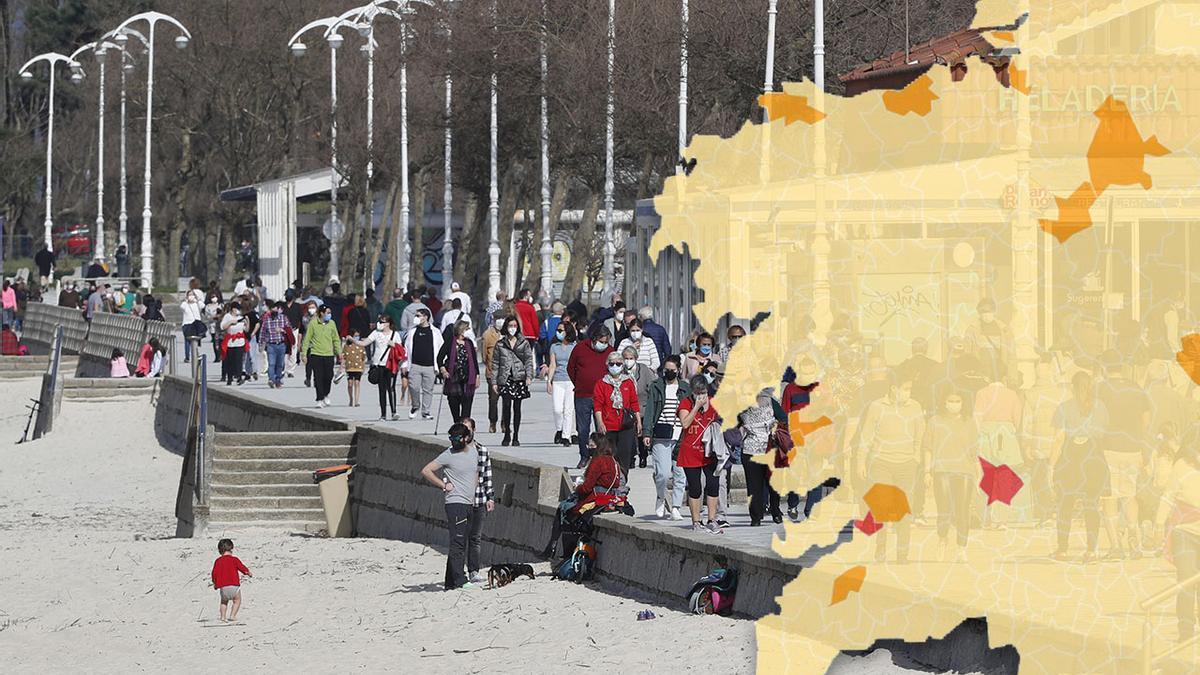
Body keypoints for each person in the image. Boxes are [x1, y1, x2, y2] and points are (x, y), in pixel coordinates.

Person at [858, 369, 926, 563]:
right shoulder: (877, 407)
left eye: (910, 389)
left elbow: (920, 433)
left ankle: (902, 554)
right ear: (893, 389)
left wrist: (916, 457)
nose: (908, 392)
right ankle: (880, 550)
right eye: (905, 389)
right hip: (881, 463)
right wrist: (860, 462)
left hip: (906, 464)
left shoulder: (915, 407)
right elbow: (866, 436)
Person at [1050, 371, 1111, 563]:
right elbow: (1103, 435)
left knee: (1065, 505)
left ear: (1072, 387)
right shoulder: (1100, 407)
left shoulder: (1064, 407)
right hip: (1093, 459)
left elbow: (1059, 438)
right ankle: (1091, 551)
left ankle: (1062, 550)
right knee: (1091, 505)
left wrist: (1051, 465)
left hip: (1070, 459)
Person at [1096, 350, 1152, 559]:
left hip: (1108, 449)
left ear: (1104, 367)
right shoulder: (1136, 389)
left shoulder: (1100, 389)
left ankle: (1116, 547)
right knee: (1129, 495)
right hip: (1133, 449)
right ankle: (1134, 539)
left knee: (1109, 497)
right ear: (1122, 367)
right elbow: (1146, 420)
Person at [1152, 424, 1200, 641]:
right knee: (1187, 580)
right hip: (1186, 532)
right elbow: (1168, 495)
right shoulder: (1182, 465)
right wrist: (1158, 523)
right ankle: (1186, 630)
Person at [420, 423, 482, 591]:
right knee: (458, 542)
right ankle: (461, 580)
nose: (453, 441)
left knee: (462, 541)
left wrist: (474, 488)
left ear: (466, 438)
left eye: (456, 438)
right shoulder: (448, 454)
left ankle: (450, 583)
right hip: (455, 503)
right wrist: (443, 485)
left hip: (469, 503)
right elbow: (426, 470)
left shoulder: (475, 451)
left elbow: (476, 471)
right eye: (451, 438)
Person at [923, 389, 979, 562]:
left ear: (963, 403)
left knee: (963, 511)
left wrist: (978, 475)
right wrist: (927, 471)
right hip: (942, 470)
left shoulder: (969, 422)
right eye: (951, 400)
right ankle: (942, 540)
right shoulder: (935, 421)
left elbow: (975, 451)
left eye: (957, 401)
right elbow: (928, 448)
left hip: (964, 471)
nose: (954, 404)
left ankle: (962, 548)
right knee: (944, 510)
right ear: (944, 402)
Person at [641, 356, 689, 520]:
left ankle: (676, 506)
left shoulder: (684, 388)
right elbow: (650, 410)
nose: (669, 373)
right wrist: (647, 432)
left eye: (672, 370)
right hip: (661, 433)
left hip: (680, 434)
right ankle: (661, 497)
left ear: (678, 370)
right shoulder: (656, 386)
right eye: (666, 370)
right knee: (662, 473)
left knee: (680, 473)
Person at [1021, 359, 1068, 524]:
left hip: (1038, 443)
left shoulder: (1030, 395)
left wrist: (1026, 443)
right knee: (1059, 477)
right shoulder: (1063, 393)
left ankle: (1045, 513)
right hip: (1059, 443)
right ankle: (1060, 511)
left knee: (1040, 479)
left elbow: (1026, 421)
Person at [678, 374, 723, 534]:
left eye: (703, 392)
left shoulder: (713, 403)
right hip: (690, 451)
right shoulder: (686, 403)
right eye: (698, 393)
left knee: (713, 483)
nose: (701, 396)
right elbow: (684, 423)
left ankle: (712, 519)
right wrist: (696, 407)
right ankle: (696, 521)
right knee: (695, 487)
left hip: (709, 451)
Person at [568, 325, 614, 468]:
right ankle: (584, 455)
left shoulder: (610, 351)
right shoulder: (580, 348)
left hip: (603, 397)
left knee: (603, 428)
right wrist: (580, 383)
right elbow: (571, 368)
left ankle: (601, 456)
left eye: (606, 342)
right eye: (602, 341)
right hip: (583, 395)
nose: (604, 345)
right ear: (594, 339)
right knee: (582, 429)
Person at [593, 350, 643, 475]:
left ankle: (622, 480)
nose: (615, 366)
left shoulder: (628, 382)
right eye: (612, 364)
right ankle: (610, 479)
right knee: (608, 454)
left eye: (618, 364)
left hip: (625, 425)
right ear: (607, 364)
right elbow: (597, 405)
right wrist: (600, 422)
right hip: (608, 424)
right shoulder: (601, 383)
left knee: (624, 455)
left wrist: (638, 421)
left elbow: (634, 403)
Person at [740, 388, 784, 526]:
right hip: (752, 449)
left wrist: (775, 428)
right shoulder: (741, 404)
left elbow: (784, 419)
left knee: (770, 483)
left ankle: (771, 512)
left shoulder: (770, 401)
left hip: (769, 448)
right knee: (755, 485)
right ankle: (758, 516)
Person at [352, 314, 404, 421]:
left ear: (389, 323)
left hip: (390, 365)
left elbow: (401, 350)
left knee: (391, 388)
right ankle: (383, 414)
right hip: (378, 364)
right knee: (382, 389)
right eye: (380, 321)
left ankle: (394, 412)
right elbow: (364, 343)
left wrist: (394, 344)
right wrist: (353, 340)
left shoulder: (395, 335)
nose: (380, 323)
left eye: (383, 322)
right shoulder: (376, 333)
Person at [462, 418, 494, 585]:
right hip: (461, 502)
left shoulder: (482, 451)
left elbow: (487, 476)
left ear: (474, 430)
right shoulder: (455, 451)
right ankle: (458, 571)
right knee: (460, 538)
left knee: (475, 538)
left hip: (479, 500)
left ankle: (473, 571)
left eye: (468, 429)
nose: (466, 433)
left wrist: (490, 497)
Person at [492, 316, 534, 446]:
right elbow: (495, 363)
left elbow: (528, 360)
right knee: (506, 405)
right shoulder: (500, 344)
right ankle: (507, 432)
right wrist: (494, 382)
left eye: (515, 326)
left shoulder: (524, 342)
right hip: (505, 378)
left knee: (517, 407)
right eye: (510, 325)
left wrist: (529, 376)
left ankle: (516, 434)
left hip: (519, 377)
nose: (512, 328)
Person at [300, 304, 342, 408]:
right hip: (316, 354)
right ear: (322, 313)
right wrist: (304, 354)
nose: (329, 315)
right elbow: (307, 339)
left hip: (329, 354)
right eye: (327, 313)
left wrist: (339, 352)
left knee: (328, 376)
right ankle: (319, 399)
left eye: (330, 313)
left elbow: (336, 339)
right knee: (318, 377)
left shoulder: (332, 324)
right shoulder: (313, 324)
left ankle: (326, 394)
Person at [404, 308, 442, 419]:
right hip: (415, 365)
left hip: (430, 365)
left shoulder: (435, 332)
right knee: (413, 387)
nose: (416, 318)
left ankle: (426, 411)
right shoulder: (412, 332)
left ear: (425, 317)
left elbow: (440, 348)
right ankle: (415, 405)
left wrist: (441, 365)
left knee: (428, 390)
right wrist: (405, 364)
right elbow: (406, 348)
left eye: (418, 315)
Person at [439, 321, 479, 424]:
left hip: (467, 379)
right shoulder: (450, 341)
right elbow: (439, 358)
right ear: (461, 330)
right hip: (454, 378)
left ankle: (465, 430)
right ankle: (457, 428)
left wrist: (477, 377)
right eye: (467, 329)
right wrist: (443, 370)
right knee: (454, 408)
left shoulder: (469, 343)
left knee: (466, 413)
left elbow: (474, 361)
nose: (468, 331)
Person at [546, 321, 578, 446]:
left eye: (561, 330)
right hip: (558, 380)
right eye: (558, 330)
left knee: (568, 409)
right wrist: (549, 380)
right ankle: (559, 429)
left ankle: (566, 436)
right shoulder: (554, 347)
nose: (558, 332)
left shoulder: (574, 346)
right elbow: (552, 364)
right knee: (557, 409)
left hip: (570, 381)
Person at [211, 538, 252, 623]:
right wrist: (247, 572)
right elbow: (241, 567)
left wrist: (215, 583)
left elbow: (214, 573)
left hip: (223, 587)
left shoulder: (218, 561)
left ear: (220, 550)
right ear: (231, 548)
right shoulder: (234, 559)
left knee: (223, 602)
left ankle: (222, 617)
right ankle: (232, 615)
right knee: (237, 600)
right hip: (234, 586)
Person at [479, 314, 504, 433]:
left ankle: (505, 423)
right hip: (492, 372)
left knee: (507, 400)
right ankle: (493, 422)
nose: (500, 321)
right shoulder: (487, 335)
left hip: (506, 372)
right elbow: (484, 356)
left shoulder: (508, 334)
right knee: (493, 400)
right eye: (498, 319)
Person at [259, 301, 290, 389]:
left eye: (276, 308)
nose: (275, 310)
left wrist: (282, 330)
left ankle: (278, 380)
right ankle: (271, 379)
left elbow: (289, 329)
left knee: (280, 364)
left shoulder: (283, 318)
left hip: (281, 344)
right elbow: (263, 333)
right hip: (271, 345)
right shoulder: (267, 320)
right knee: (271, 363)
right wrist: (261, 344)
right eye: (273, 308)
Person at [219, 303, 249, 386]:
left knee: (239, 360)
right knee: (230, 361)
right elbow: (222, 327)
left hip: (240, 341)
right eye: (236, 309)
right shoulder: (227, 316)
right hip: (230, 342)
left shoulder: (241, 317)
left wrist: (247, 322)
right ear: (233, 309)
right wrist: (231, 322)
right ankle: (229, 377)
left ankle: (239, 377)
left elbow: (246, 330)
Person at [514, 289, 541, 369]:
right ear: (526, 296)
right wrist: (537, 334)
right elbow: (535, 322)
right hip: (530, 334)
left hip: (517, 334)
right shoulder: (530, 307)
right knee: (528, 354)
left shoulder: (515, 307)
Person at [342, 331, 366, 407]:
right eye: (355, 336)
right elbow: (344, 357)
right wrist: (342, 366)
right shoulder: (346, 345)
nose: (356, 337)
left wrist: (363, 367)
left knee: (357, 383)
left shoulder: (361, 345)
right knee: (350, 384)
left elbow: (363, 357)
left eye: (358, 336)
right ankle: (351, 399)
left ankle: (356, 401)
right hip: (349, 367)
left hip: (358, 367)